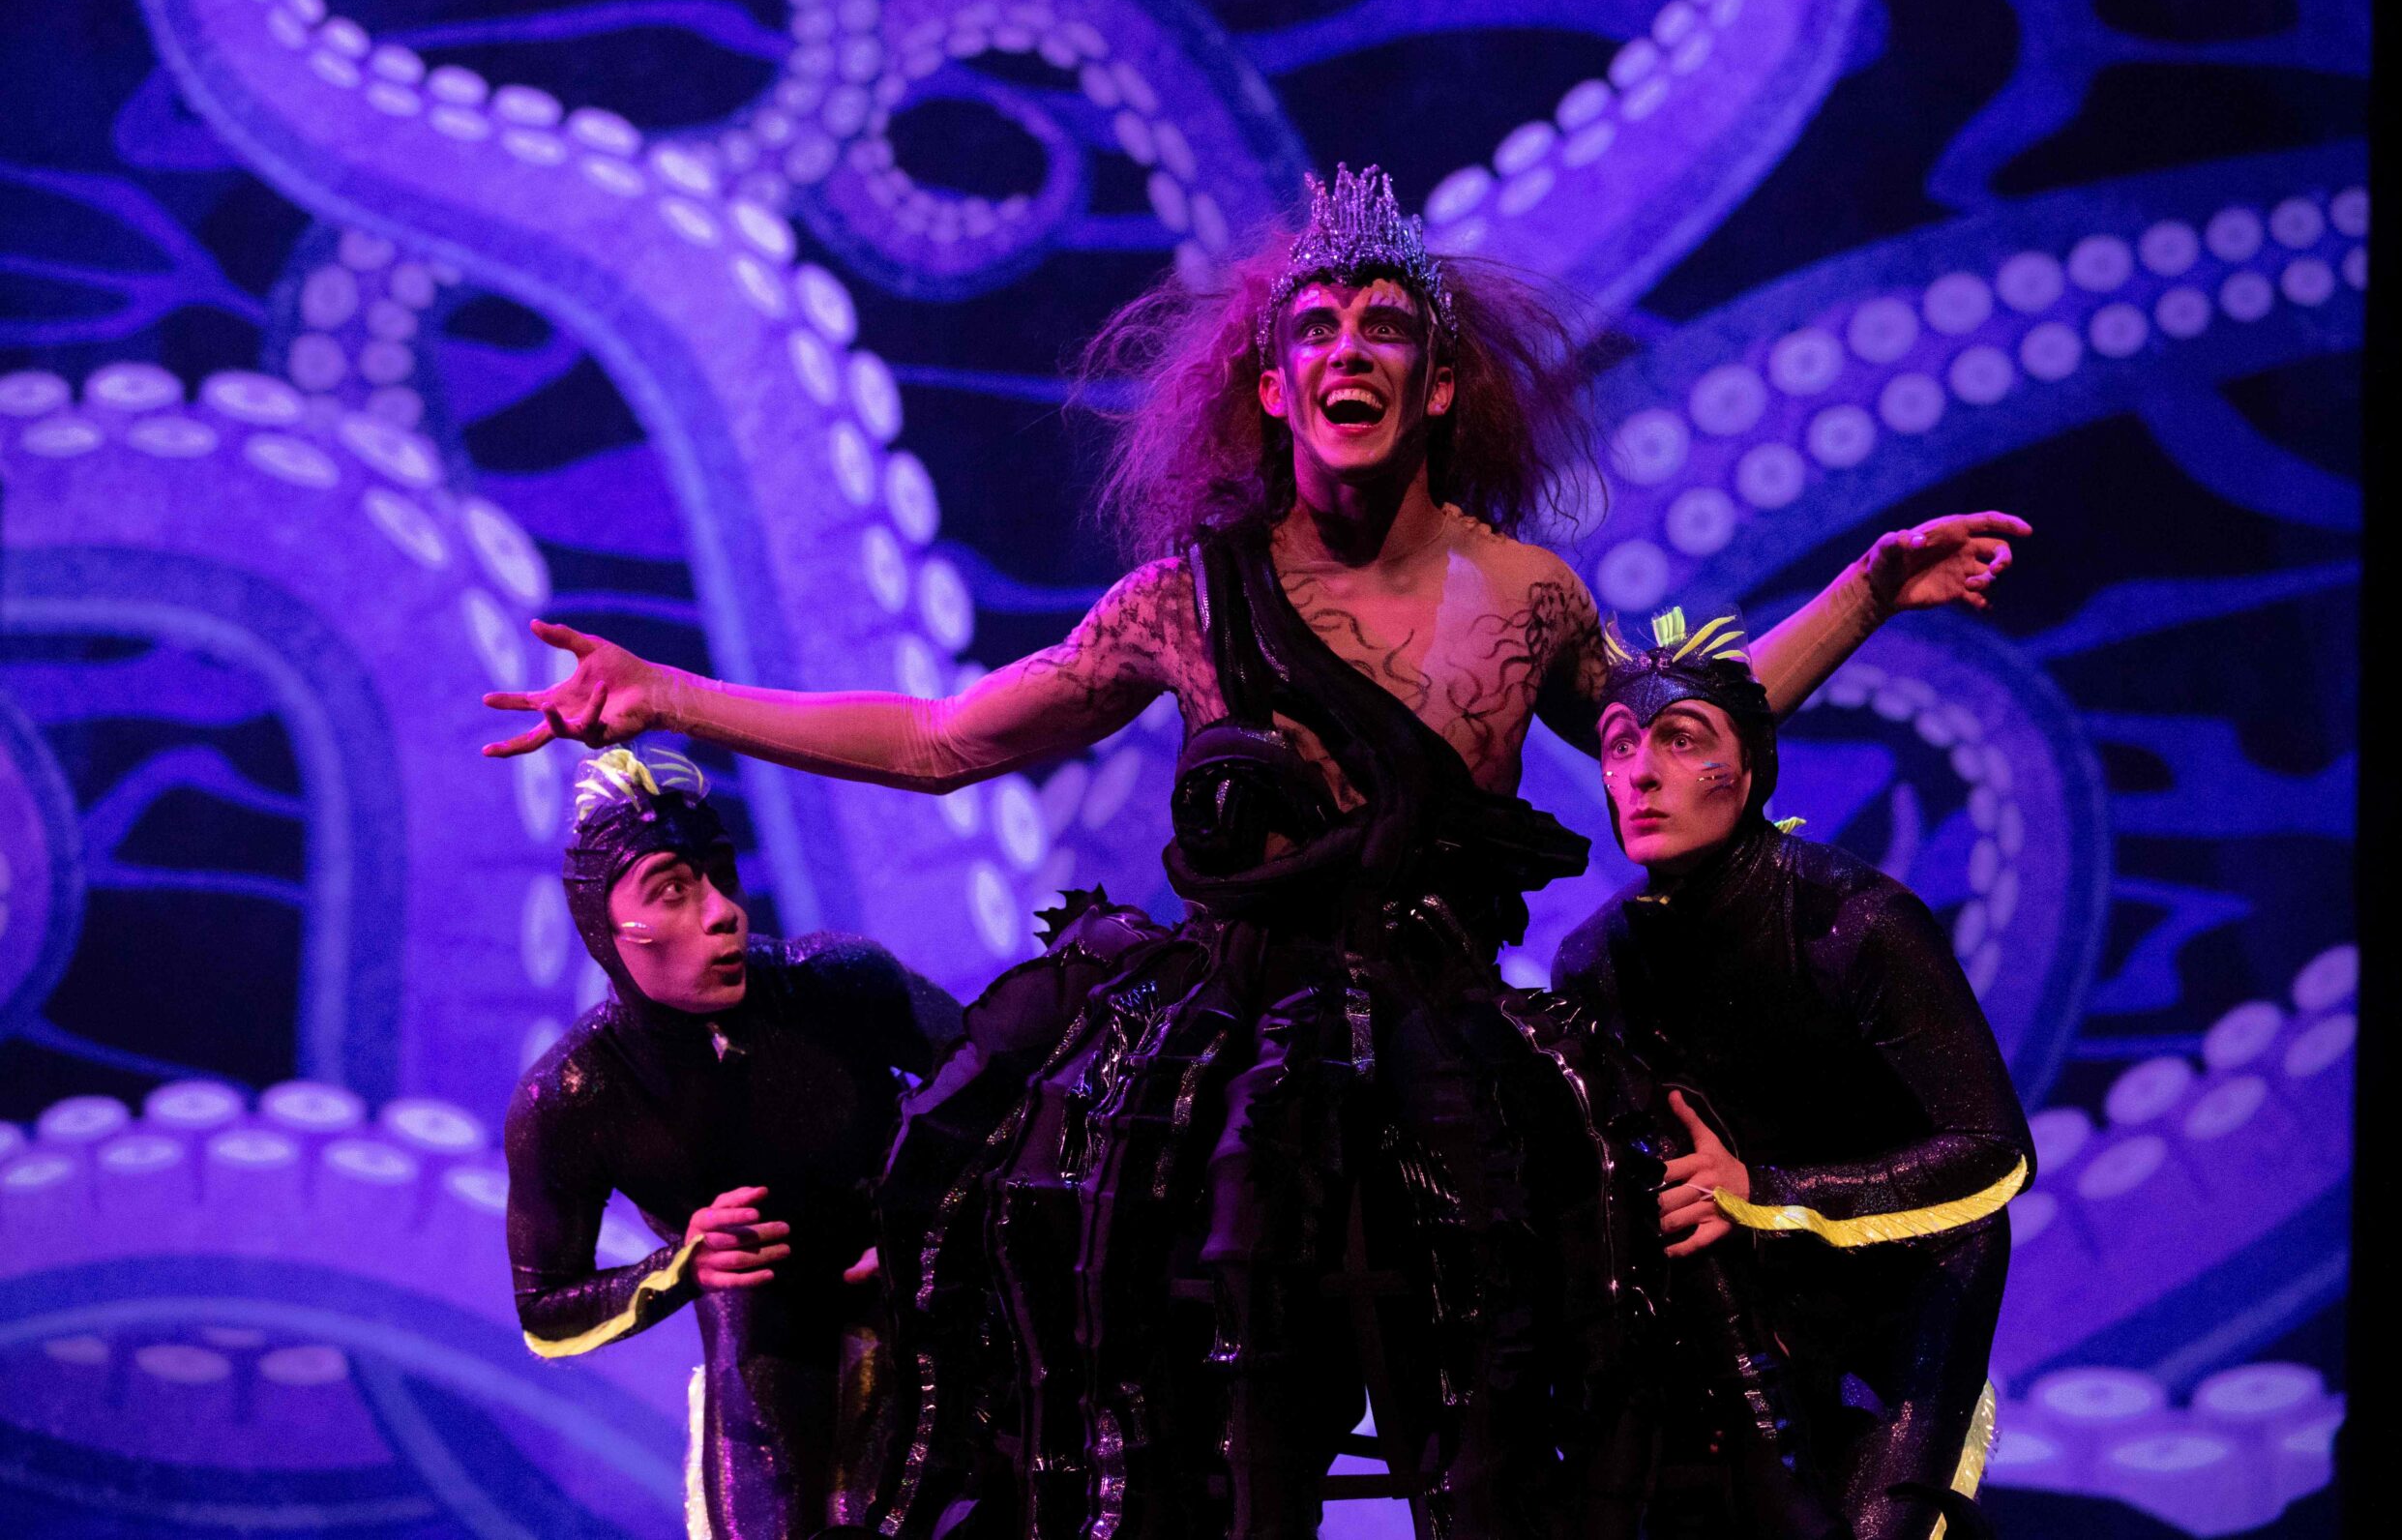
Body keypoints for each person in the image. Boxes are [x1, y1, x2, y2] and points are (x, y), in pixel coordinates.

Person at [482, 165, 2029, 1538]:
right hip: (1220, 1072)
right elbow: (948, 739)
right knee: (1181, 1436)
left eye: (1382, 329)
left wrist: (1865, 596)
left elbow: (1688, 734)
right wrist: (671, 693)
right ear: (1274, 389)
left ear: (1435, 385)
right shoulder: (1185, 594)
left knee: (1510, 1432)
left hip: (1451, 1061)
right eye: (1317, 331)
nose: (1348, 348)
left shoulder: (1529, 593)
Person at [1540, 610, 2033, 1540]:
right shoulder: (1595, 961)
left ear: (1753, 769)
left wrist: (1760, 1191)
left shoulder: (1857, 921)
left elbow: (1993, 1152)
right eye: (1618, 747)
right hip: (1735, 1295)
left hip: (1906, 1282)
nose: (1640, 772)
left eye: (1682, 742)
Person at [502, 748, 962, 1540]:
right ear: (608, 934)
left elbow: (1003, 1083)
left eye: (720, 875)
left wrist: (933, 1225)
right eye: (673, 892)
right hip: (766, 1336)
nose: (722, 912)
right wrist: (681, 1268)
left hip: (928, 1303)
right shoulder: (575, 1094)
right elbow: (544, 1313)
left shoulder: (836, 980)